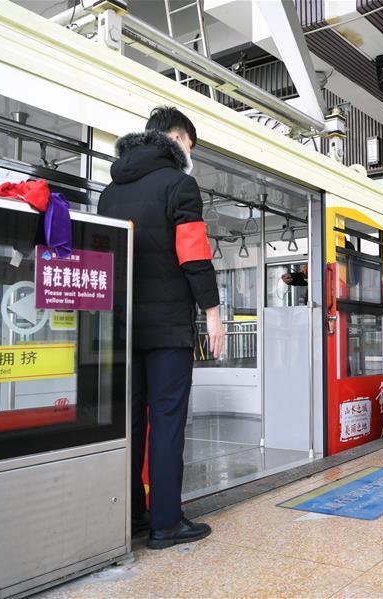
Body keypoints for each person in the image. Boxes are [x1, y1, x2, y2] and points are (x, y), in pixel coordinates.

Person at [98, 106, 225, 549]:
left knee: (131, 422)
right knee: (167, 421)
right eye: (189, 144)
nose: (190, 153)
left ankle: (134, 514)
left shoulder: (110, 192)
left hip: (122, 327)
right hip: (169, 328)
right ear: (175, 139)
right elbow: (194, 254)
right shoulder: (179, 184)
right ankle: (167, 522)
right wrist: (212, 312)